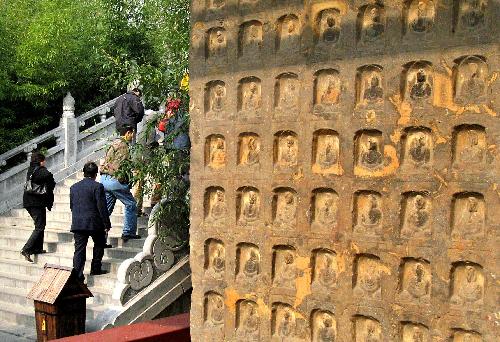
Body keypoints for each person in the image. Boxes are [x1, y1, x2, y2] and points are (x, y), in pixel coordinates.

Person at [70, 162, 111, 281]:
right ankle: (95, 268)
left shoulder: (74, 187)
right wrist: (106, 224)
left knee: (79, 250)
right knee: (99, 243)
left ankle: (77, 277)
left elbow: (72, 206)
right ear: (96, 174)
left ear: (84, 173)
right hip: (94, 223)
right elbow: (102, 207)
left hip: (78, 223)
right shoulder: (97, 187)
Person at [100, 125, 141, 241]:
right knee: (131, 204)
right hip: (114, 180)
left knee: (107, 209)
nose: (133, 136)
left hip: (104, 179)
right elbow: (122, 165)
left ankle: (101, 233)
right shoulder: (124, 146)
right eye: (132, 134)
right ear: (128, 133)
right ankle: (128, 232)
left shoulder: (113, 144)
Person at [20, 152, 56, 262]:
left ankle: (37, 248)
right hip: (36, 202)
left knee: (40, 224)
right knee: (39, 226)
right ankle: (26, 249)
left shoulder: (31, 169)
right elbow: (51, 180)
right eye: (44, 161)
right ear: (41, 161)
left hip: (29, 201)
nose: (45, 162)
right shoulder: (41, 170)